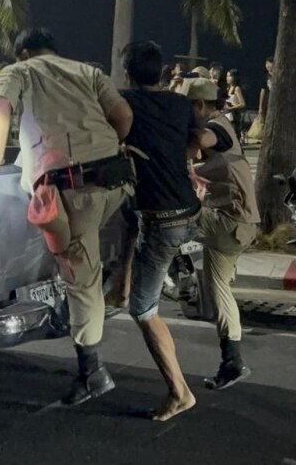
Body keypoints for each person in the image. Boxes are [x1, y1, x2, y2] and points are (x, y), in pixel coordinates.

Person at [0, 28, 134, 405]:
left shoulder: (21, 71)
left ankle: (92, 372)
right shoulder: (87, 71)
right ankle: (100, 284)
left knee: (80, 276)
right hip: (115, 179)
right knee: (84, 258)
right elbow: (123, 115)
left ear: (22, 53)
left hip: (73, 186)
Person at [116, 41, 204, 421]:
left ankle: (179, 392)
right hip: (190, 209)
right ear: (164, 71)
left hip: (163, 219)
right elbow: (196, 147)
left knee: (143, 309)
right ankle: (121, 288)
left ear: (128, 73)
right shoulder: (181, 104)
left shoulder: (124, 103)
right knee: (132, 229)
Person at [184, 77, 260, 391]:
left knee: (167, 217)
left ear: (200, 105)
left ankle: (156, 271)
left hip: (230, 222)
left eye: (188, 108)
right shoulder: (219, 127)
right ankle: (233, 363)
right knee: (219, 293)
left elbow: (203, 138)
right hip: (236, 224)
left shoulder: (218, 127)